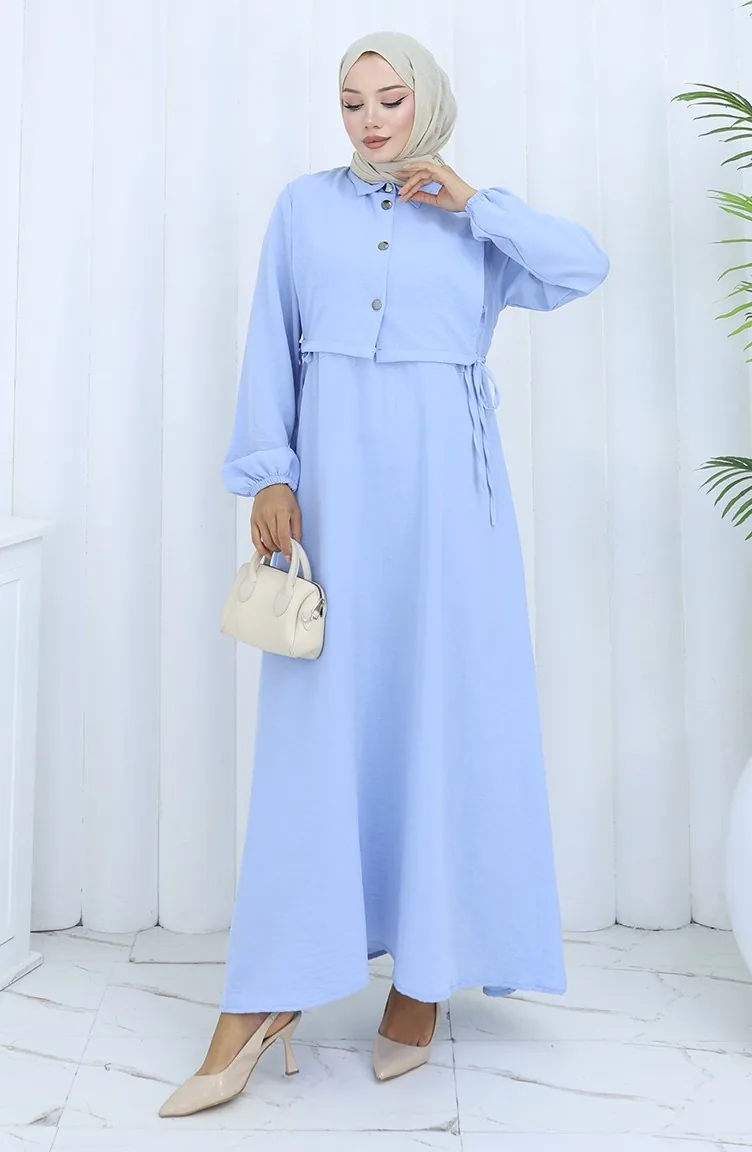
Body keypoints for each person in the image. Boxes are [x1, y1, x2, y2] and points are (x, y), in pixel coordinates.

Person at [159, 29, 609, 1118]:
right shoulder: (302, 208)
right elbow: (270, 340)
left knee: (443, 719)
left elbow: (581, 267)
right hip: (336, 493)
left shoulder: (470, 215)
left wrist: (472, 201)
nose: (369, 120)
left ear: (426, 102)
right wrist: (270, 474)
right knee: (319, 730)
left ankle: (423, 977)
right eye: (352, 101)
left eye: (390, 99)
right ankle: (265, 995)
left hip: (450, 510)